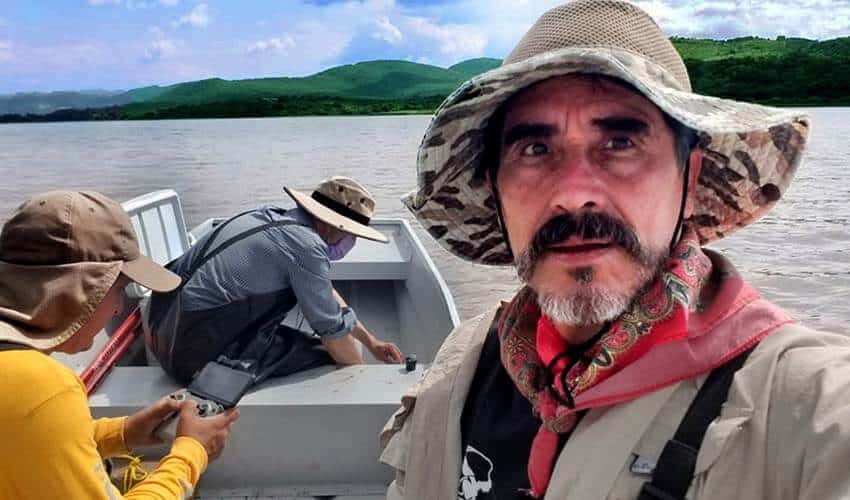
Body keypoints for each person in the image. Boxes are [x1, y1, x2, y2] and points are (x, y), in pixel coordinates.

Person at [379, 2, 848, 499]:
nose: (574, 192)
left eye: (620, 141)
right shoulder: (462, 366)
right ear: (496, 189)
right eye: (535, 150)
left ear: (688, 180)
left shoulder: (799, 402)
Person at [0, 190, 240, 499]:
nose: (117, 308)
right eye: (119, 288)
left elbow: (29, 440)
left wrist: (125, 432)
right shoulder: (40, 389)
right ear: (80, 289)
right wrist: (191, 453)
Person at [145, 176, 403, 385]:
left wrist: (371, 340)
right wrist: (364, 378)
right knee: (332, 356)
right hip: (193, 356)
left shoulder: (266, 215)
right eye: (352, 234)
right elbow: (332, 333)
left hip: (161, 329)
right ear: (336, 226)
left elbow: (323, 292)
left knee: (343, 341)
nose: (352, 242)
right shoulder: (307, 247)